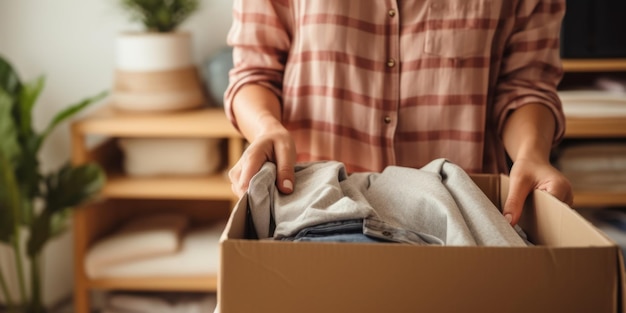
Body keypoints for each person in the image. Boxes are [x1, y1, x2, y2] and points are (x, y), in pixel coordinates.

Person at [223, 0, 573, 226]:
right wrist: (266, 127)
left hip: (463, 230)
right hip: (311, 216)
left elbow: (525, 85)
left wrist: (531, 153)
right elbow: (256, 72)